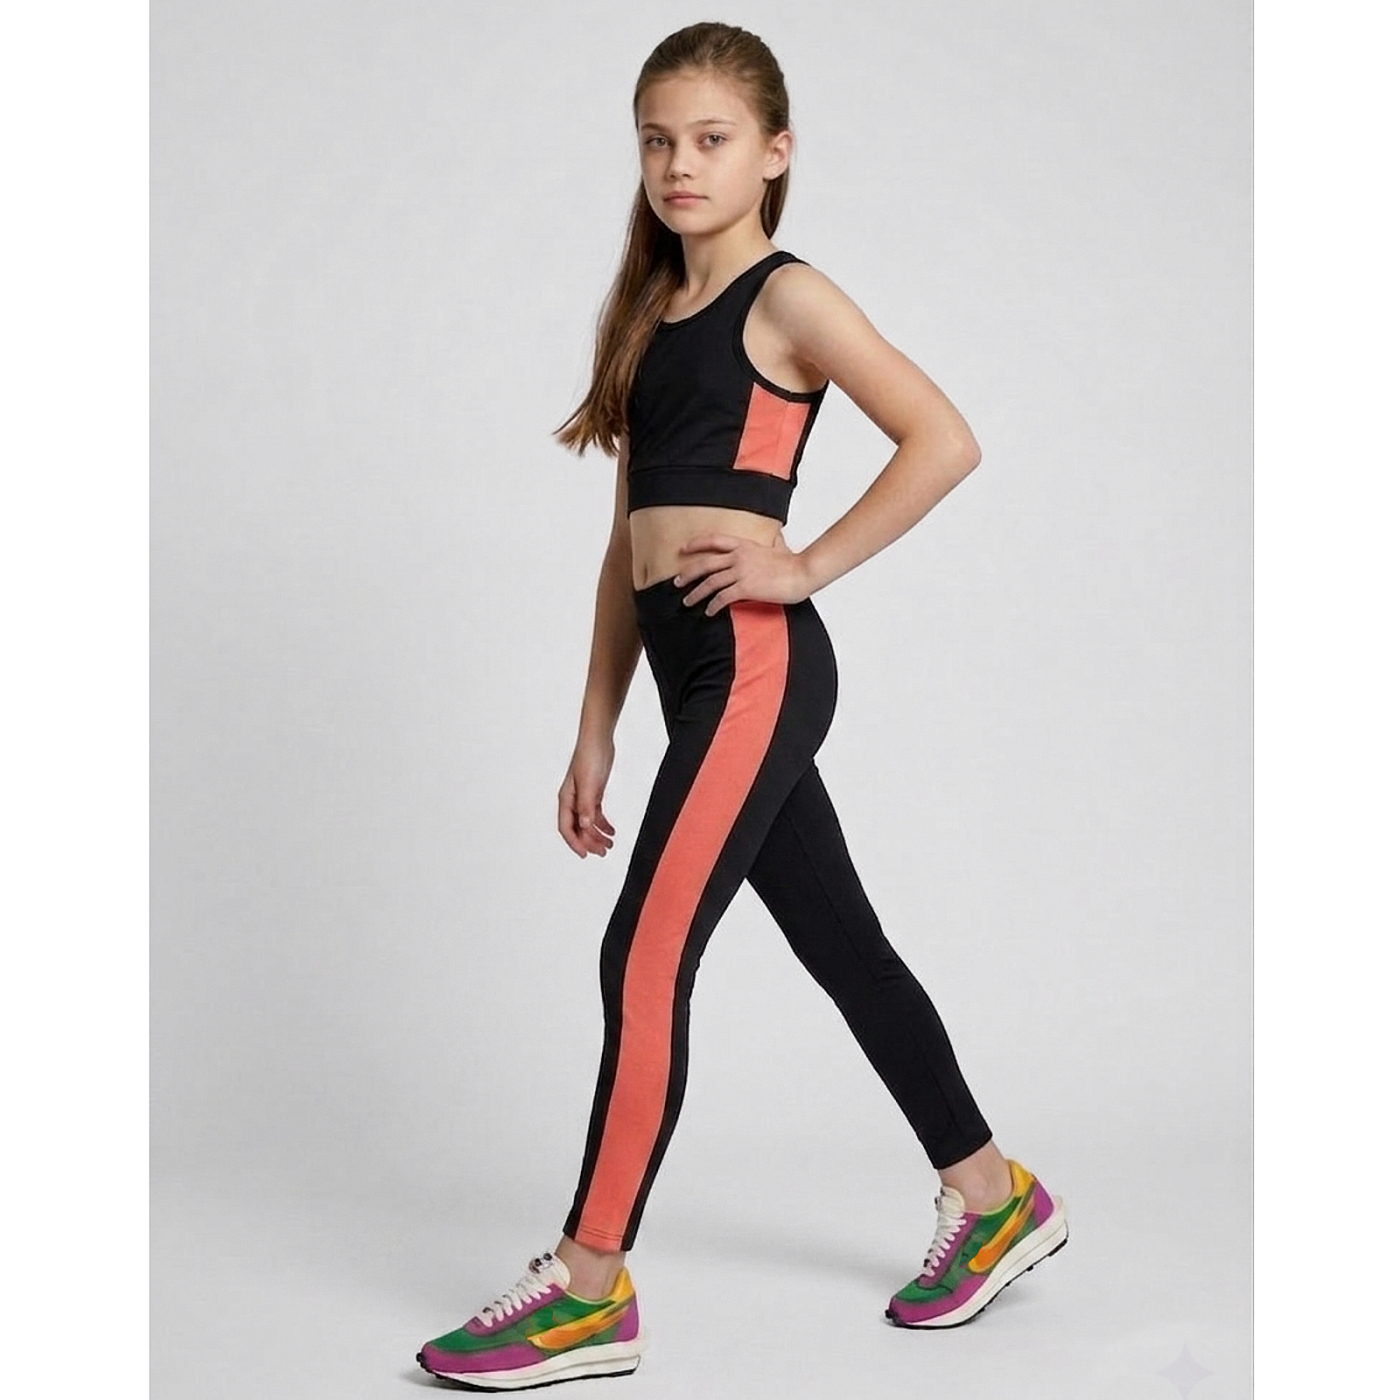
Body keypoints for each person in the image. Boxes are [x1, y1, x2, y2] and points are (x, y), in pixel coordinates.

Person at [417, 20, 1068, 1391]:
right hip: (687, 681)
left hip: (760, 669)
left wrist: (806, 563)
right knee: (844, 944)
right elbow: (628, 542)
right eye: (657, 140)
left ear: (775, 152)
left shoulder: (791, 297)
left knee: (643, 954)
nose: (680, 164)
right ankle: (993, 1192)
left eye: (710, 139)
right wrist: (595, 726)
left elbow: (944, 438)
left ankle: (587, 1290)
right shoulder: (646, 315)